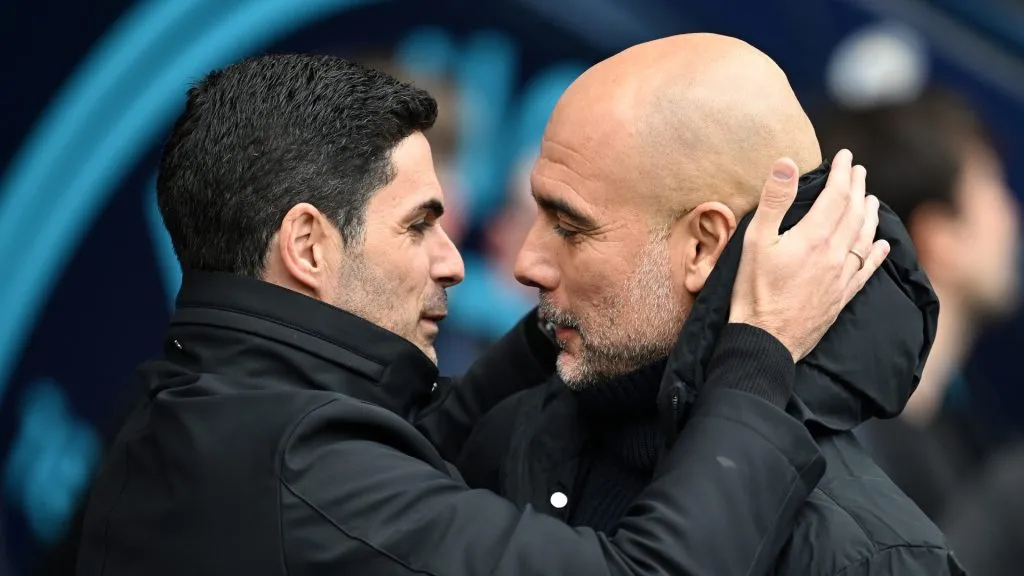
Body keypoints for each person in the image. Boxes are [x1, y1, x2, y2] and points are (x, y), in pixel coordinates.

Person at [75, 53, 879, 576]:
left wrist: (570, 311)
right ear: (308, 246)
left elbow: (424, 451)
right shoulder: (303, 473)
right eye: (420, 224)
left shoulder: (189, 413)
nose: (454, 259)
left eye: (568, 225)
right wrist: (758, 348)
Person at [457, 34, 963, 575]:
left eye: (569, 225)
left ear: (703, 246)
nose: (527, 262)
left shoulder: (868, 555)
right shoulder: (510, 438)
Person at [817, 88, 1021, 524]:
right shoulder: (865, 467)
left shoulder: (948, 432)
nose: (1010, 216)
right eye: (991, 190)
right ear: (939, 238)